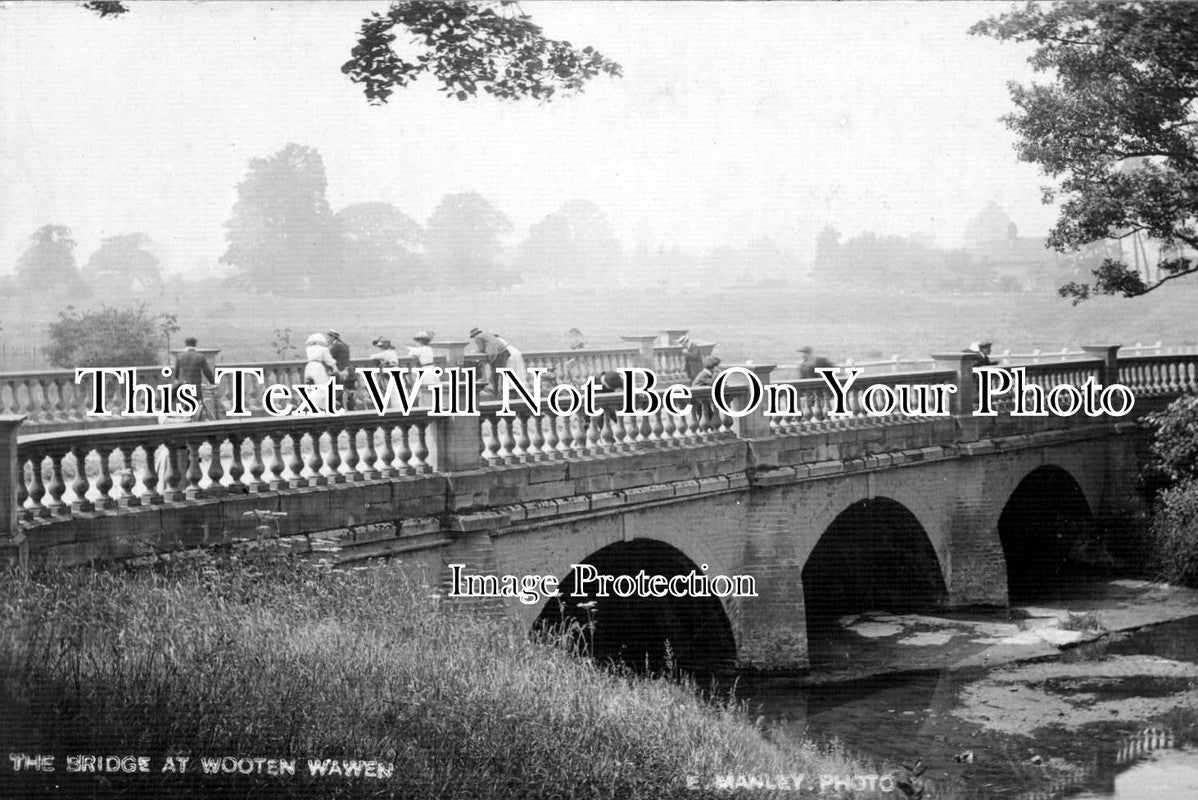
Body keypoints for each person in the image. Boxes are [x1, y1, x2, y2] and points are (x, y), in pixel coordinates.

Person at [172, 336, 216, 420]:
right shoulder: (200, 357)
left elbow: (176, 374)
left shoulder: (179, 356)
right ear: (195, 345)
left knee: (184, 406)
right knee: (197, 406)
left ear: (186, 345)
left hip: (183, 386)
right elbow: (207, 372)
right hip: (196, 387)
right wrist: (213, 382)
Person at [469, 327, 511, 395]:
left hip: (496, 354)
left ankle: (496, 391)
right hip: (504, 351)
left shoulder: (478, 337)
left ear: (474, 335)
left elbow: (481, 349)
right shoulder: (487, 334)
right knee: (503, 373)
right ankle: (504, 390)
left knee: (495, 374)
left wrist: (474, 352)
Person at [304, 332, 338, 412]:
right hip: (317, 367)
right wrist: (335, 369)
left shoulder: (308, 349)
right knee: (323, 387)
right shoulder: (323, 349)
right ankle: (320, 405)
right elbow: (329, 360)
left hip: (309, 367)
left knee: (311, 387)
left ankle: (310, 402)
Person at [368, 337, 401, 411]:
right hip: (396, 370)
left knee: (393, 391)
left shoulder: (384, 353)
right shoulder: (393, 352)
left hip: (390, 372)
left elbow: (372, 357)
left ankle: (395, 407)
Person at [327, 329, 357, 410]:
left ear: (333, 337)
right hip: (350, 373)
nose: (327, 339)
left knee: (338, 395)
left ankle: (341, 411)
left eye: (329, 337)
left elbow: (329, 360)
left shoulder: (335, 347)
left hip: (341, 374)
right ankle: (352, 411)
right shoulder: (345, 345)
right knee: (351, 394)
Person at [407, 331, 438, 406]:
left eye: (418, 340)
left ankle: (425, 406)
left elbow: (410, 355)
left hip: (425, 370)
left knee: (424, 390)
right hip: (431, 369)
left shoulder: (421, 349)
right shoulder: (429, 349)